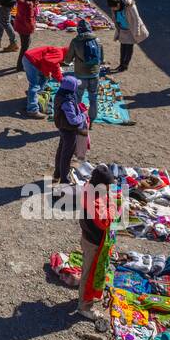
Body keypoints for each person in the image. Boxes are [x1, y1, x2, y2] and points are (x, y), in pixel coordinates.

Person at [78, 165, 115, 319]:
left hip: (88, 236)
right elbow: (105, 222)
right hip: (94, 240)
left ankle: (84, 296)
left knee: (88, 269)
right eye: (107, 185)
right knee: (90, 273)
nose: (109, 188)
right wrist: (112, 204)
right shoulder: (95, 199)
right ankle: (85, 306)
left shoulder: (88, 187)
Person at [52, 75, 90, 184]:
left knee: (61, 151)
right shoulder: (67, 101)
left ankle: (57, 174)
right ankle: (64, 179)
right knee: (66, 155)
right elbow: (73, 120)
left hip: (63, 128)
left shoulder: (61, 95)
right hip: (69, 131)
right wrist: (83, 115)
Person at [67, 20, 103, 121]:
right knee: (93, 97)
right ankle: (92, 119)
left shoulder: (75, 41)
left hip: (80, 75)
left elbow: (68, 59)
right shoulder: (97, 40)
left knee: (78, 96)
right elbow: (101, 58)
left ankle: (77, 117)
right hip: (94, 74)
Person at [106, 0, 149, 72]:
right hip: (122, 30)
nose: (114, 9)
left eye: (115, 7)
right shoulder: (114, 7)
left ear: (118, 3)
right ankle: (121, 64)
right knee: (122, 48)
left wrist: (137, 31)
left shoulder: (130, 6)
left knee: (128, 48)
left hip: (131, 30)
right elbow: (115, 18)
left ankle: (125, 65)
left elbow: (136, 19)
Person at [22, 43, 65, 119]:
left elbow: (55, 66)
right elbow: (47, 62)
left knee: (44, 79)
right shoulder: (60, 54)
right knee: (34, 85)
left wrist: (61, 80)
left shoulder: (59, 52)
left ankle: (37, 100)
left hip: (30, 59)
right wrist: (46, 73)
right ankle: (32, 110)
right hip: (31, 61)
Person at [14, 0, 41, 66]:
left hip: (20, 25)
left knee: (26, 44)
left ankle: (21, 63)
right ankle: (20, 65)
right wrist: (32, 28)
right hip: (24, 28)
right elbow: (29, 19)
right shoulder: (28, 5)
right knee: (25, 47)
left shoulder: (23, 2)